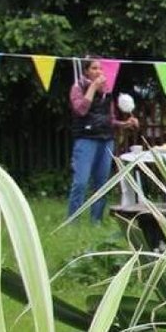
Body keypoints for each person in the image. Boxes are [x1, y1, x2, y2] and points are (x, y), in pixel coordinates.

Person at [67, 59, 116, 222]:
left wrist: (126, 124)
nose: (99, 71)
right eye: (94, 68)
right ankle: (73, 219)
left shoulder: (106, 91)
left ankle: (96, 220)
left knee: (102, 184)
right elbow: (81, 109)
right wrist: (93, 87)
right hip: (86, 139)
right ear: (86, 71)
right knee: (81, 182)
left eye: (100, 68)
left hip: (106, 139)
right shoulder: (78, 87)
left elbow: (110, 118)